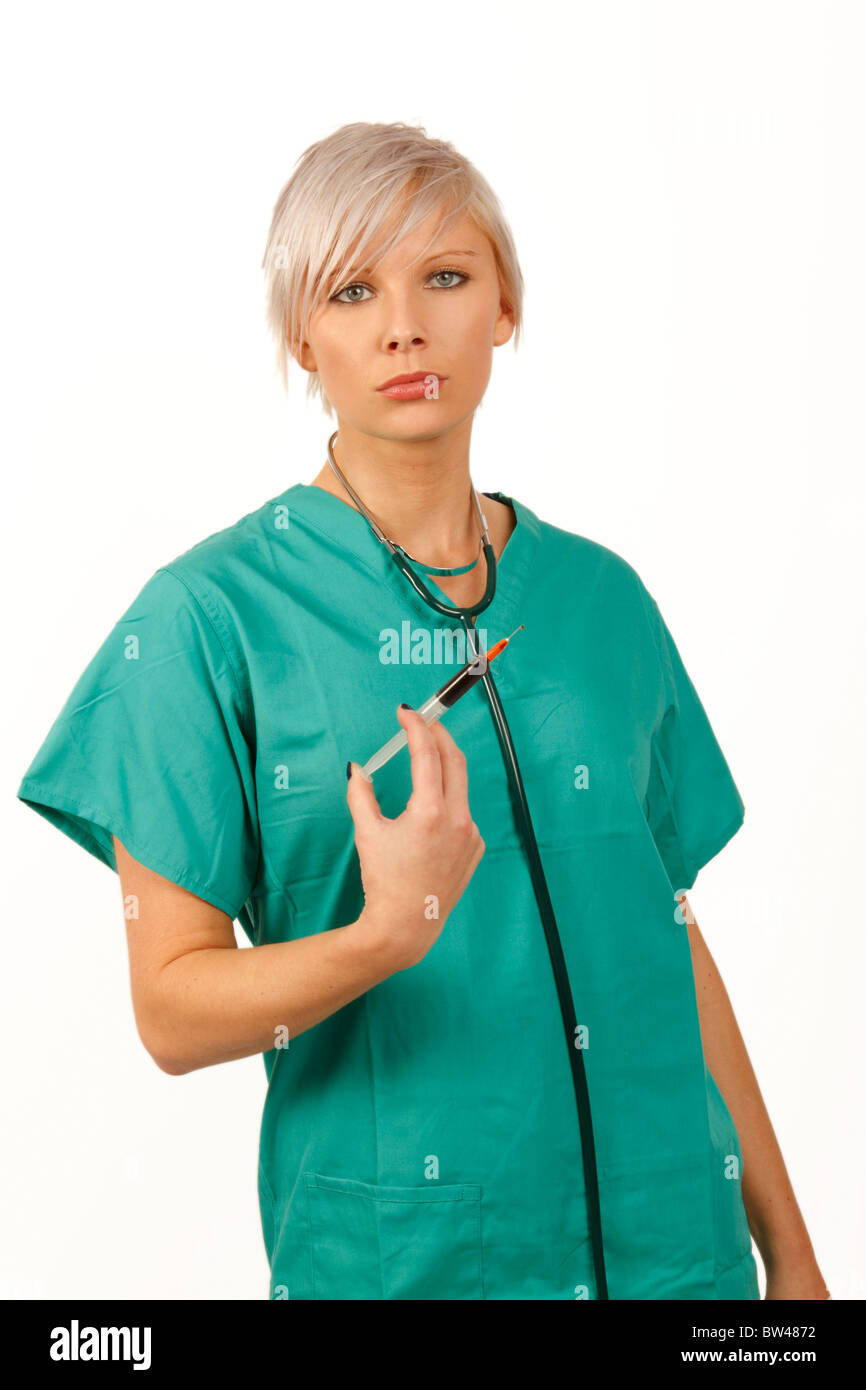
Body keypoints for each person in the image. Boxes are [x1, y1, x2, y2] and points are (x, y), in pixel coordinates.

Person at [17, 121, 829, 1301]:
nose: (404, 324)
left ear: (504, 306)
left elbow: (671, 935)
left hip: (680, 1268)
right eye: (352, 289)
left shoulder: (601, 600)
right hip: (411, 1269)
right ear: (302, 333)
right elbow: (172, 1011)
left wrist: (791, 1260)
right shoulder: (206, 619)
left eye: (444, 276)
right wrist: (381, 934)